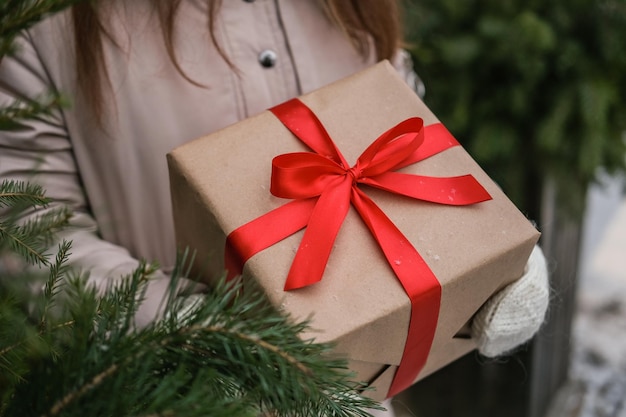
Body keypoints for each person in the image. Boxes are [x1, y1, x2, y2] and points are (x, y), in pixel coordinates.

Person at [0, 1, 549, 415]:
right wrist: (192, 337)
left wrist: (479, 247)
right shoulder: (48, 19)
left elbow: (399, 125)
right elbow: (22, 220)